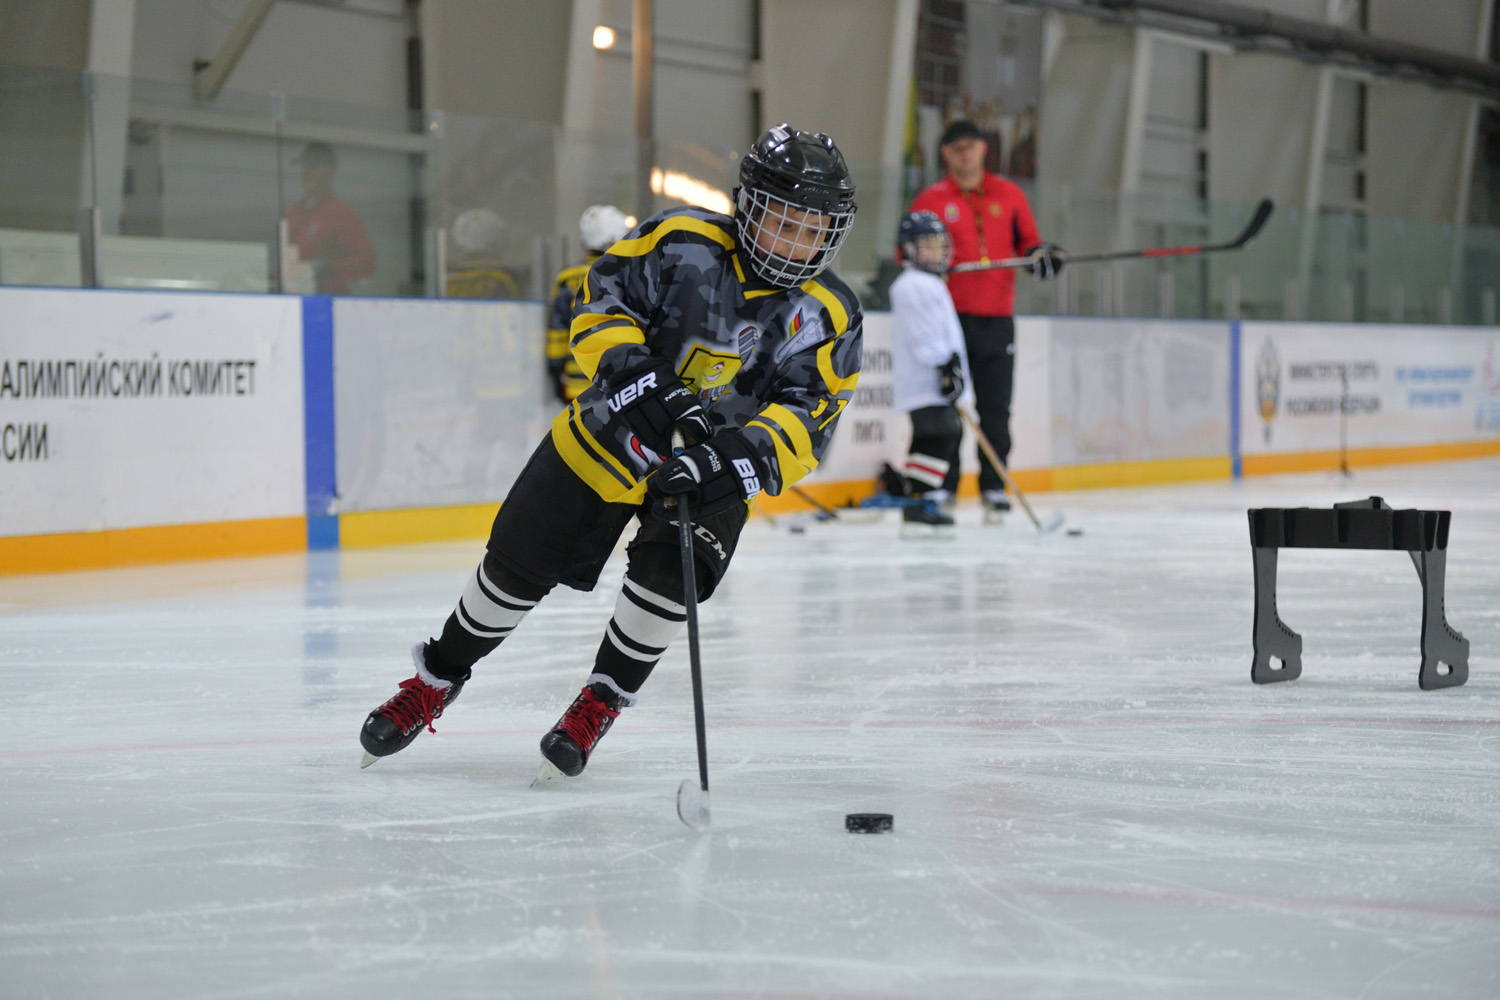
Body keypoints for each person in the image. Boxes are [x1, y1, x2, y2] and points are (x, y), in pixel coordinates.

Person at [358, 124, 862, 779]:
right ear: (748, 207)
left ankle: (599, 701)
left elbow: (809, 415)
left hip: (707, 473)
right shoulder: (682, 241)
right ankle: (438, 676)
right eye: (782, 223)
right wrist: (634, 372)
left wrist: (727, 460)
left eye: (811, 229)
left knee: (667, 581)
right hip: (604, 436)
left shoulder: (831, 312)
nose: (795, 244)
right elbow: (603, 299)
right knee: (514, 570)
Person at [909, 119, 1062, 523]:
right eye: (956, 147)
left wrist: (1042, 257)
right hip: (950, 320)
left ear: (983, 150)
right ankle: (945, 485)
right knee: (949, 407)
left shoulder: (1009, 195)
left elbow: (1029, 245)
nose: (965, 153)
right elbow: (908, 251)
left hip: (997, 319)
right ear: (945, 153)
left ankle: (993, 488)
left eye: (971, 146)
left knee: (995, 409)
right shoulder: (931, 199)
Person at [890, 210, 971, 538]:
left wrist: (950, 367)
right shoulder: (911, 285)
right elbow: (923, 334)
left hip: (932, 381)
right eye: (927, 244)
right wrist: (944, 365)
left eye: (939, 243)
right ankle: (920, 503)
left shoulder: (928, 282)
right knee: (940, 435)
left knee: (939, 435)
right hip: (926, 381)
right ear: (908, 249)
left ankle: (920, 503)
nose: (937, 250)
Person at [546, 205, 630, 402]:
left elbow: (558, 327)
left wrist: (555, 368)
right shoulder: (629, 275)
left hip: (578, 382)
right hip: (623, 382)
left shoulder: (568, 276)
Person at [283, 142, 376, 295]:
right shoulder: (292, 214)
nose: (304, 173)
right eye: (304, 168)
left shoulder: (342, 216)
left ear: (328, 172)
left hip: (329, 303)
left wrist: (330, 269)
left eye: (311, 167)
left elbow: (366, 263)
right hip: (292, 299)